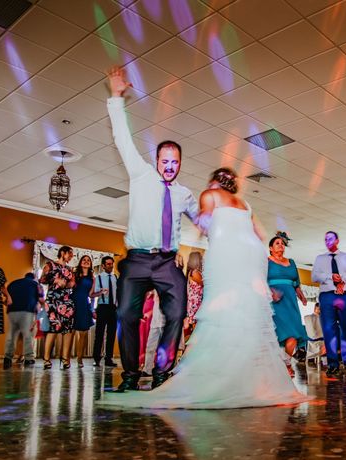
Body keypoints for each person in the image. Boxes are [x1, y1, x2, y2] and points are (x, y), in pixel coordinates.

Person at [99, 167, 307, 409]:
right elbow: (259, 235)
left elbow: (204, 225)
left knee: (221, 312)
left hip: (226, 256)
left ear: (215, 182)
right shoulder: (245, 204)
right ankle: (248, 381)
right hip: (250, 259)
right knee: (245, 316)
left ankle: (218, 378)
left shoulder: (210, 195)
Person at [106, 66, 199, 392]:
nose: (169, 166)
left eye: (175, 162)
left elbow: (201, 220)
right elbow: (121, 139)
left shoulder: (184, 193)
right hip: (137, 261)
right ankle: (131, 374)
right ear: (157, 160)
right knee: (127, 316)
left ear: (179, 163)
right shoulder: (140, 175)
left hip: (167, 262)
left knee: (177, 312)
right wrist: (117, 97)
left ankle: (162, 371)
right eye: (165, 161)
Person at [312, 231, 346, 378]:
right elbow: (314, 276)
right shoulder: (320, 258)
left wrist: (341, 281)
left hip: (345, 295)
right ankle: (332, 364)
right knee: (329, 330)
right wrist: (330, 277)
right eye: (325, 239)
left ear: (337, 240)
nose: (327, 241)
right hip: (327, 296)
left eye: (330, 238)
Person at [267, 231, 308, 373]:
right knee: (278, 335)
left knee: (294, 335)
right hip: (275, 302)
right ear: (271, 248)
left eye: (282, 243)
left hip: (291, 301)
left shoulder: (291, 263)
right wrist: (271, 292)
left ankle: (286, 362)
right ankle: (282, 366)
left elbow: (296, 283)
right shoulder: (266, 262)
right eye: (277, 243)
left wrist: (301, 296)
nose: (281, 245)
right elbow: (259, 281)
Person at [40, 245, 76, 370]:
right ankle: (46, 359)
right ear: (63, 253)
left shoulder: (70, 269)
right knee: (53, 329)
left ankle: (65, 358)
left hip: (67, 301)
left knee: (68, 330)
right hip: (53, 300)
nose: (71, 256)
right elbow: (42, 279)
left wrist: (71, 283)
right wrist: (55, 281)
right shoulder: (50, 265)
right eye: (70, 254)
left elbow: (73, 283)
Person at [3, 272, 44, 369]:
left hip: (12, 311)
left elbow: (6, 300)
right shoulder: (36, 285)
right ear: (34, 278)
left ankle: (7, 357)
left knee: (12, 334)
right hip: (27, 310)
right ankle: (29, 358)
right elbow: (41, 299)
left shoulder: (13, 283)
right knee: (27, 335)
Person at [72, 255, 98, 368]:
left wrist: (100, 293)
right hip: (73, 302)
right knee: (70, 332)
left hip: (84, 304)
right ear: (80, 262)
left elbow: (90, 295)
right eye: (84, 260)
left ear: (91, 264)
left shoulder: (93, 278)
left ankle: (79, 359)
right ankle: (65, 358)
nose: (86, 262)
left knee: (83, 334)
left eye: (88, 261)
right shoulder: (74, 274)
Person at [93, 255, 118, 367]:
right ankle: (96, 358)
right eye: (108, 264)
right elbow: (93, 294)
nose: (111, 266)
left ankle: (109, 358)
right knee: (99, 333)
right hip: (102, 307)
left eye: (112, 264)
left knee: (111, 334)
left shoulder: (115, 278)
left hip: (113, 308)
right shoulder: (98, 278)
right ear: (103, 266)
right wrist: (101, 292)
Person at [184, 251, 204, 343]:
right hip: (196, 303)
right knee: (197, 330)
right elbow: (205, 284)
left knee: (195, 329)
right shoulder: (195, 273)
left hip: (193, 302)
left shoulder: (192, 272)